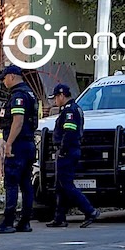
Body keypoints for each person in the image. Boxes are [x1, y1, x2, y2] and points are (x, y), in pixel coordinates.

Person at [0, 65, 38, 234]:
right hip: (28, 144)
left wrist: (9, 143)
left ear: (11, 76)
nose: (3, 81)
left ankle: (8, 222)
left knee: (11, 183)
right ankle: (25, 222)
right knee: (25, 184)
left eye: (4, 78)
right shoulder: (30, 93)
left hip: (18, 145)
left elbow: (18, 120)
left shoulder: (18, 96)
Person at [45, 84, 100, 229]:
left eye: (56, 97)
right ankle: (59, 217)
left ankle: (90, 211)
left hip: (67, 152)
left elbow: (69, 133)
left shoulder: (70, 111)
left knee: (67, 185)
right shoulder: (73, 109)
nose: (55, 101)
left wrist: (63, 150)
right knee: (60, 186)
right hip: (69, 151)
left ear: (62, 96)